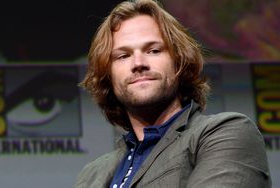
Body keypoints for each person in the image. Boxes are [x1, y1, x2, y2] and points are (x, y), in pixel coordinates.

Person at [75, 0, 271, 187]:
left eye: (153, 50)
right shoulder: (91, 174)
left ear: (179, 61)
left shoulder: (224, 133)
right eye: (123, 56)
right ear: (108, 76)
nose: (138, 63)